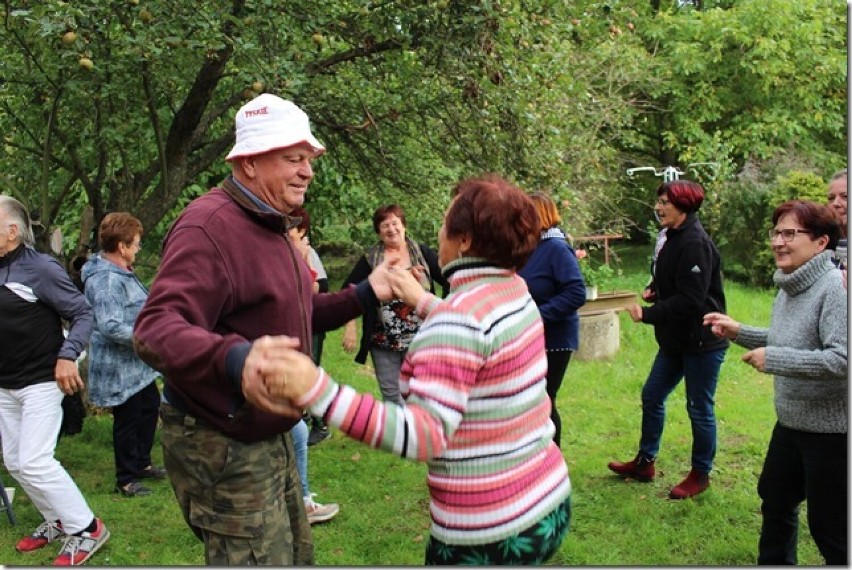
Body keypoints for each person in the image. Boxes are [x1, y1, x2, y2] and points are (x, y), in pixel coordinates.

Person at [132, 94, 395, 566]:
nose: (307, 171)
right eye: (293, 159)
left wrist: (365, 294)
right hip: (222, 438)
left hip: (268, 431)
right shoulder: (208, 227)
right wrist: (238, 359)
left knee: (294, 555)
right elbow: (155, 327)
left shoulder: (272, 225)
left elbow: (295, 313)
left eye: (309, 160)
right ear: (249, 163)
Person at [263, 175, 572, 565]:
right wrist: (424, 300)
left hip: (490, 532)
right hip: (547, 500)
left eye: (444, 224)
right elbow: (479, 336)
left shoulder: (458, 322)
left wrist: (319, 391)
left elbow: (423, 436)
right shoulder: (514, 291)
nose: (438, 233)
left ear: (465, 241)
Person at [704, 200, 847, 566]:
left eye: (790, 234)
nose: (778, 242)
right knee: (776, 499)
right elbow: (790, 338)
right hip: (791, 423)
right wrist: (739, 332)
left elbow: (842, 359)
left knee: (831, 527)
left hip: (832, 433)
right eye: (776, 233)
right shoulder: (790, 285)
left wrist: (776, 359)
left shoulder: (835, 289)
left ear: (820, 243)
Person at [0, 195, 110, 565]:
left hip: (41, 380)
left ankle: (87, 529)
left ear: (12, 232)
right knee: (16, 463)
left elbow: (82, 313)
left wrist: (67, 357)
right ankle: (57, 520)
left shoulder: (40, 268)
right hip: (5, 384)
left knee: (34, 460)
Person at [609, 180, 728, 499]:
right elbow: (675, 281)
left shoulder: (694, 242)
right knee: (652, 395)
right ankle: (645, 462)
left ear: (684, 206)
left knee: (699, 407)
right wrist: (656, 289)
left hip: (702, 340)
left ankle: (700, 474)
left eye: (665, 202)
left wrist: (648, 313)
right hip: (676, 340)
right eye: (658, 201)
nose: (658, 207)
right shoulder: (672, 237)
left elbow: (692, 298)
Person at [81, 212, 165, 498]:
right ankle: (126, 479)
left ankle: (142, 464)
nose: (138, 249)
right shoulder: (104, 280)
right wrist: (148, 337)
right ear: (122, 247)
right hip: (118, 365)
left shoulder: (121, 271)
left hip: (137, 364)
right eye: (137, 244)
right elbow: (110, 325)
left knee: (149, 406)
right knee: (128, 419)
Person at [341, 204, 448, 406]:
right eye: (385, 225)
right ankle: (400, 434)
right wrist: (350, 326)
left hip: (420, 337)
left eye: (395, 223)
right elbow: (349, 289)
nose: (391, 229)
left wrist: (445, 306)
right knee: (391, 394)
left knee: (421, 391)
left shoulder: (422, 253)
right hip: (382, 339)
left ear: (403, 225)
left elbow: (449, 279)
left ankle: (418, 432)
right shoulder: (371, 259)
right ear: (378, 232)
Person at [518, 191, 586, 448]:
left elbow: (576, 292)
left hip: (554, 338)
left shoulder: (556, 247)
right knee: (530, 400)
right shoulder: (529, 248)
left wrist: (538, 315)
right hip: (531, 336)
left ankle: (551, 458)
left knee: (544, 399)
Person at [286, 207, 339, 523]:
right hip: (274, 355)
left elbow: (317, 293)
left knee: (297, 431)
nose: (294, 233)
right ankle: (300, 502)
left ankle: (300, 499)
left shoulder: (304, 253)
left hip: (302, 336)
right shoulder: (280, 254)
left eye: (295, 228)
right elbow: (299, 294)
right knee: (295, 431)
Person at [289, 207, 332, 446]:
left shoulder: (308, 253)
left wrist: (303, 268)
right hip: (292, 323)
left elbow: (321, 288)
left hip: (311, 323)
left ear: (302, 229)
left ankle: (320, 424)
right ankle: (301, 418)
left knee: (309, 371)